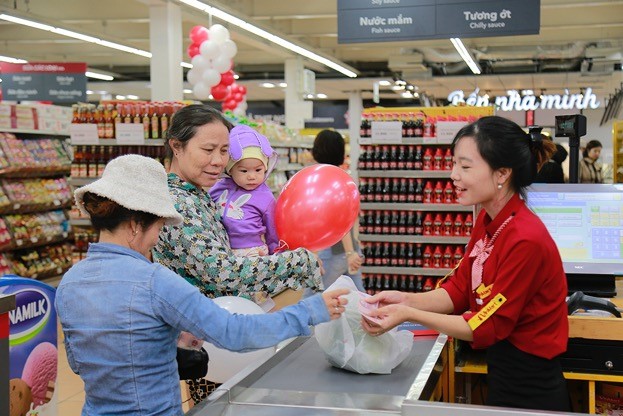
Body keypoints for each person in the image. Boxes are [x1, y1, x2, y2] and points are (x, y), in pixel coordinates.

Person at [55, 154, 349, 416]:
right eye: (159, 226)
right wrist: (310, 310)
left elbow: (80, 363)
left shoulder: (69, 284)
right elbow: (235, 333)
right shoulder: (154, 281)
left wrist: (162, 341)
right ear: (135, 225)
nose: (158, 238)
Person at [361, 116, 570, 412]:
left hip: (532, 389)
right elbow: (459, 289)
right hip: (503, 374)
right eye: (453, 164)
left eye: (465, 166)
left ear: (502, 173)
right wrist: (405, 300)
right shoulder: (488, 220)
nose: (453, 175)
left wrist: (409, 314)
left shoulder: (526, 238)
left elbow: (488, 324)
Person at [152, 104, 324, 402]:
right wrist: (299, 261)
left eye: (224, 151)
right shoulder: (179, 204)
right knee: (217, 406)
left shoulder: (200, 193)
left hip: (218, 334)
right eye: (208, 150)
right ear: (176, 147)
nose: (218, 161)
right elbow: (224, 272)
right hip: (206, 340)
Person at [304, 129, 365, 295]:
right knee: (359, 296)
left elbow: (339, 218)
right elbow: (354, 216)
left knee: (310, 299)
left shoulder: (323, 180)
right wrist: (354, 249)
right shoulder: (345, 178)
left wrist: (349, 252)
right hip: (350, 248)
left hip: (333, 250)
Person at [209, 124, 279, 257]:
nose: (252, 176)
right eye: (244, 171)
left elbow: (273, 231)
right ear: (230, 170)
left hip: (254, 252)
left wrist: (276, 254)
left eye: (258, 170)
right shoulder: (218, 188)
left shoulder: (266, 197)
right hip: (222, 250)